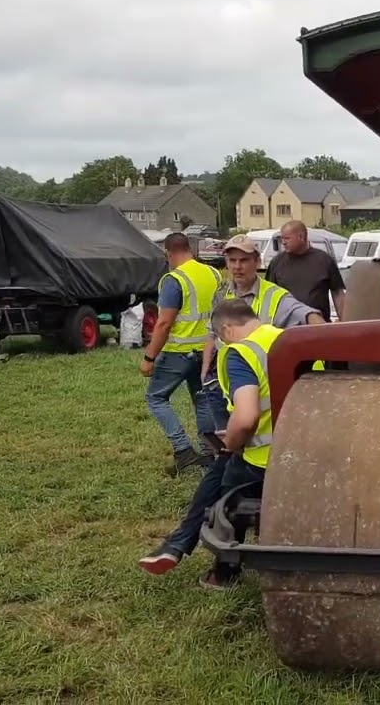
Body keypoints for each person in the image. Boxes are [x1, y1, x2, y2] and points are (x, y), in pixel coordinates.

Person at [138, 299, 305, 589]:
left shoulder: (239, 353)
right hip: (310, 450)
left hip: (267, 460)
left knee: (226, 494)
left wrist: (233, 442)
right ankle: (176, 545)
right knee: (221, 468)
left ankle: (223, 571)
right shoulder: (290, 340)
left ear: (226, 330)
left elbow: (246, 417)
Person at [198, 234, 325, 407]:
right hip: (227, 381)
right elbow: (212, 335)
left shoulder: (275, 296)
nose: (237, 267)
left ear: (257, 262)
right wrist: (205, 371)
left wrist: (324, 344)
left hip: (261, 385)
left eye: (244, 260)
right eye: (232, 260)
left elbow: (309, 316)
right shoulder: (222, 293)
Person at [141, 232, 223, 476]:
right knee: (203, 398)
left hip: (179, 352)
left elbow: (165, 323)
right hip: (208, 350)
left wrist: (149, 357)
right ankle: (209, 452)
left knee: (156, 397)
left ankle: (183, 451)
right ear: (190, 249)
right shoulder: (213, 273)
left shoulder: (174, 280)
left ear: (169, 253)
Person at [265, 220, 347, 322]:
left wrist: (345, 322)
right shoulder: (277, 262)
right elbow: (268, 295)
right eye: (282, 238)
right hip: (287, 327)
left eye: (287, 238)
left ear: (301, 237)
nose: (283, 242)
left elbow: (338, 294)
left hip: (318, 326)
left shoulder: (324, 260)